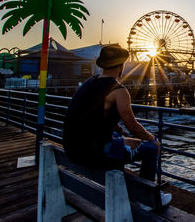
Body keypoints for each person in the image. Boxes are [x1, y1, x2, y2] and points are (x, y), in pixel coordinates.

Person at [63, 44, 171, 205]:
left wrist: (118, 130)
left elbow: (94, 112)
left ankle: (130, 183)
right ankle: (147, 199)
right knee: (151, 149)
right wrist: (153, 138)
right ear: (121, 66)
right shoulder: (118, 90)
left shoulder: (89, 82)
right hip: (94, 153)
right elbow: (132, 125)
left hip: (72, 149)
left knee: (126, 141)